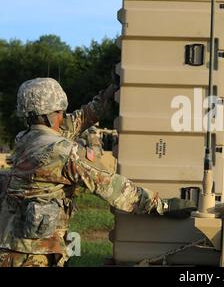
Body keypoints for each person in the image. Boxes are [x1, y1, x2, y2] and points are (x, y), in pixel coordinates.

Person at [0, 78, 196, 267]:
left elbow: (81, 119)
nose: (63, 116)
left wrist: (107, 95)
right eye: (61, 111)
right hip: (32, 254)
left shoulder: (25, 140)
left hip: (9, 243)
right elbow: (111, 186)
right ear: (53, 113)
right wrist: (162, 205)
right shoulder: (62, 152)